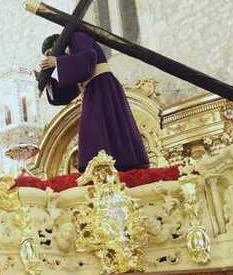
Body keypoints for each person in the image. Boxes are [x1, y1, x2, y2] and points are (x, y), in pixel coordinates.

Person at [39, 31, 150, 172]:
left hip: (102, 86)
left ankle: (111, 164)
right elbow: (67, 93)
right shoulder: (71, 62)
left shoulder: (76, 37)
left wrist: (57, 62)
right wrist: (47, 80)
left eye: (50, 53)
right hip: (92, 90)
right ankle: (99, 166)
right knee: (96, 128)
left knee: (98, 126)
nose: (50, 58)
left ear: (57, 44)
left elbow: (88, 60)